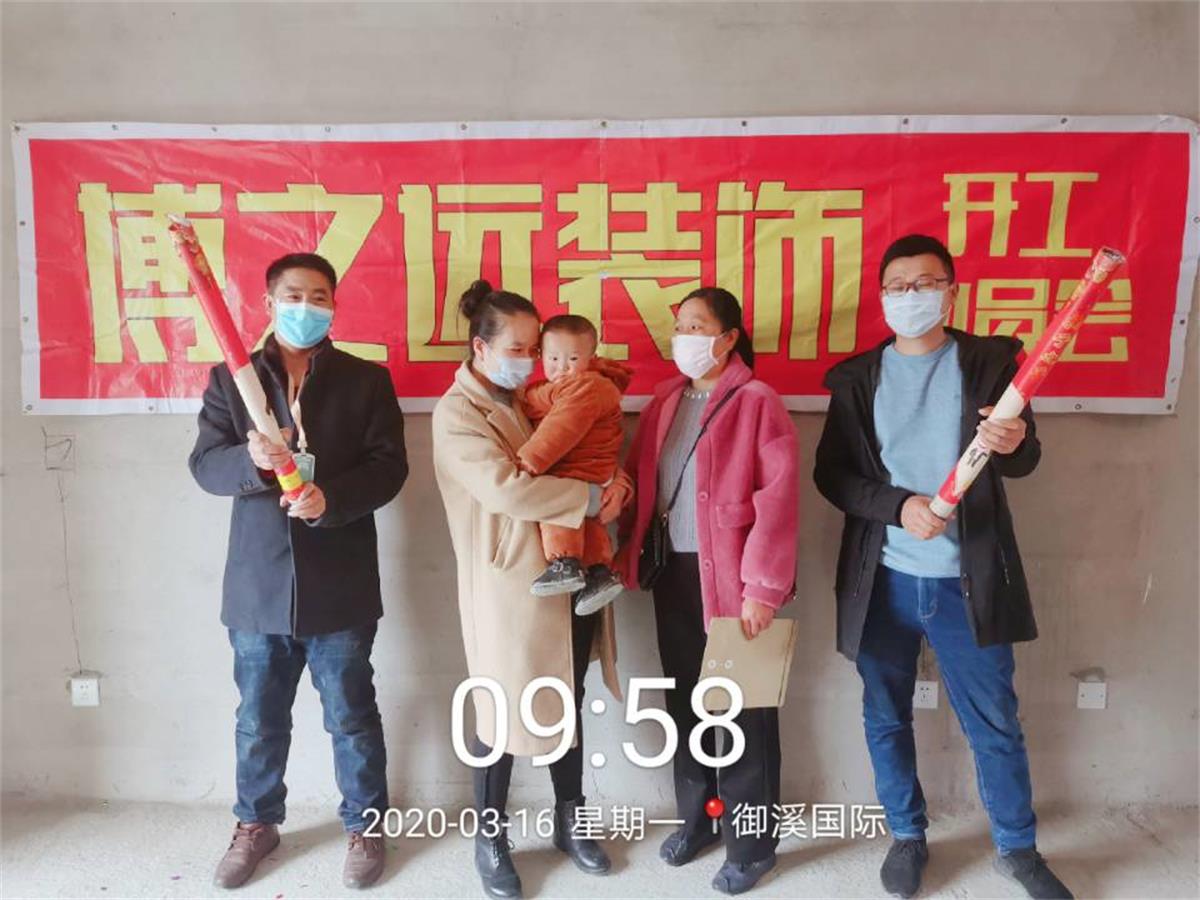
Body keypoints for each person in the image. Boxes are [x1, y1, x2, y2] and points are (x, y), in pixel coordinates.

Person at [813, 234, 1072, 900]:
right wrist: (898, 507)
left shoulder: (990, 364)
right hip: (883, 580)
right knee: (885, 716)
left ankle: (1017, 848)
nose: (911, 296)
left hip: (967, 579)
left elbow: (1024, 459)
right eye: (898, 286)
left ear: (951, 292)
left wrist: (1014, 441)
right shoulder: (857, 378)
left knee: (995, 722)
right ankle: (907, 835)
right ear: (881, 297)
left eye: (925, 283)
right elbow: (832, 475)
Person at [189, 252, 408, 890]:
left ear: (334, 305)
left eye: (318, 296)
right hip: (258, 585)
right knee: (258, 720)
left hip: (340, 580)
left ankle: (366, 825)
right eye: (293, 295)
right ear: (268, 303)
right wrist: (253, 463)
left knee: (352, 716)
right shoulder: (231, 380)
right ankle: (256, 823)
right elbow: (205, 465)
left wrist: (330, 499)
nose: (305, 307)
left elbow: (389, 467)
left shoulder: (366, 381)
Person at [431, 280, 631, 899]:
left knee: (566, 699)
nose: (529, 360)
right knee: (499, 710)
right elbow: (507, 489)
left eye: (534, 349)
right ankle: (489, 837)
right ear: (481, 347)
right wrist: (593, 499)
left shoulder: (536, 395)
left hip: (570, 573)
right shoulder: (458, 413)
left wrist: (615, 482)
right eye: (516, 349)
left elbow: (588, 446)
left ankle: (571, 820)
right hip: (510, 584)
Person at [616, 286, 798, 896]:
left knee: (745, 714)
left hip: (734, 582)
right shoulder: (665, 401)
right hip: (674, 575)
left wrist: (762, 589)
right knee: (687, 705)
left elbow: (777, 502)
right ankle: (698, 819)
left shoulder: (756, 401)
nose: (684, 337)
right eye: (680, 325)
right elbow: (642, 479)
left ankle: (753, 845)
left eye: (698, 325)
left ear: (728, 337)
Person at [519, 314, 633, 614]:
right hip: (594, 475)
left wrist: (528, 462)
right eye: (553, 358)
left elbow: (559, 431)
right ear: (540, 355)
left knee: (559, 510)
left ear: (591, 357)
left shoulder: (585, 387)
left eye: (572, 358)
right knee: (589, 526)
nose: (562, 367)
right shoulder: (583, 386)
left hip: (574, 472)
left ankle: (565, 563)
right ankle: (598, 572)